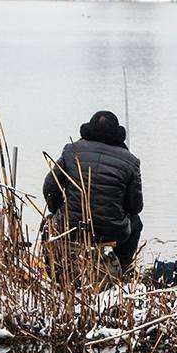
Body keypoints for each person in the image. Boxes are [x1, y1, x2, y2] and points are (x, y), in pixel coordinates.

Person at [43, 110, 143, 274]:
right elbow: (135, 207)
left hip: (70, 226)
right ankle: (122, 269)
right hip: (112, 231)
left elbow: (49, 188)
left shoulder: (71, 150)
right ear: (118, 135)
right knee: (136, 223)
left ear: (88, 130)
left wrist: (57, 210)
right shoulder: (131, 161)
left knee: (48, 223)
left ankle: (53, 269)